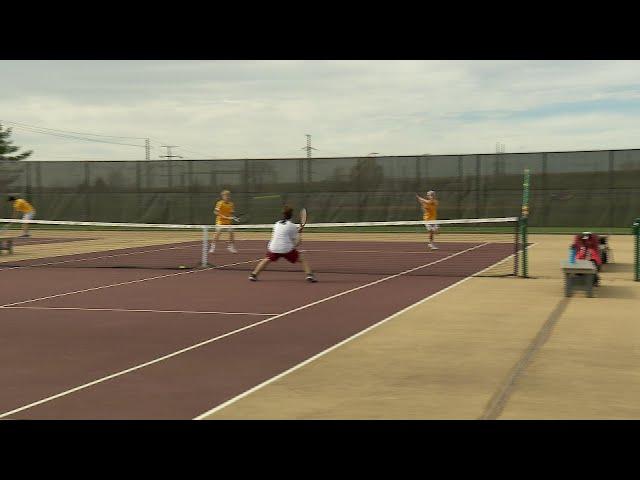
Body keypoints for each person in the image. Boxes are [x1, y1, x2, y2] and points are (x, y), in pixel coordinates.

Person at [249, 205, 317, 282]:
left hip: (273, 247)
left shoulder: (276, 224)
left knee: (266, 260)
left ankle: (253, 275)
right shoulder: (292, 226)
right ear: (291, 215)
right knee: (302, 259)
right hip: (286, 249)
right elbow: (297, 242)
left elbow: (284, 233)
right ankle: (309, 275)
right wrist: (299, 233)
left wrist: (297, 231)